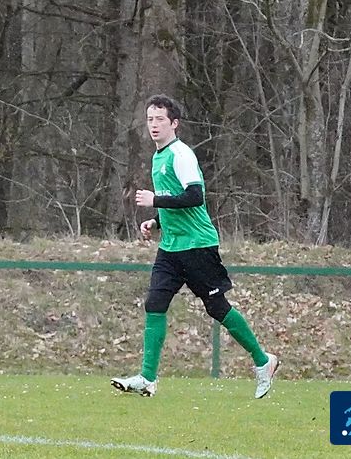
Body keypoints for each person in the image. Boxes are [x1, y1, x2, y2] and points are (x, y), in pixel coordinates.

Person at [110, 94, 279, 399]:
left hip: (198, 245)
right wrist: (156, 222)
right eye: (150, 119)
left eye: (160, 119)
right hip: (171, 248)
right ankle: (147, 378)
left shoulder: (181, 154)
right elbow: (173, 200)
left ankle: (262, 361)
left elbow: (194, 197)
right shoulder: (158, 157)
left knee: (217, 307)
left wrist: (154, 200)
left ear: (174, 123)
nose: (154, 125)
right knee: (154, 304)